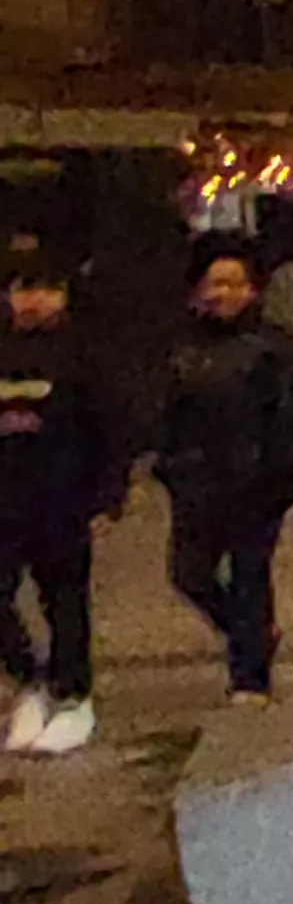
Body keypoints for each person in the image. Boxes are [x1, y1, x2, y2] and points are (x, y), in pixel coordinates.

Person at [155, 237, 293, 705]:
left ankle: (250, 678)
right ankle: (253, 635)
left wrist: (274, 459)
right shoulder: (180, 347)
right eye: (213, 283)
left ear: (252, 289)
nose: (222, 294)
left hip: (257, 481)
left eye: (234, 283)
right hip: (195, 481)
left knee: (250, 573)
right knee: (190, 573)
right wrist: (169, 462)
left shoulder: (275, 347)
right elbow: (162, 411)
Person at [0, 241, 118, 756]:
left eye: (48, 289)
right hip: (5, 497)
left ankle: (74, 695)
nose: (35, 301)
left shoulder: (87, 354)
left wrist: (107, 497)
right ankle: (29, 678)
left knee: (65, 601)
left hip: (62, 497)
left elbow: (110, 429)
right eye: (25, 289)